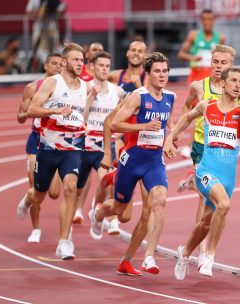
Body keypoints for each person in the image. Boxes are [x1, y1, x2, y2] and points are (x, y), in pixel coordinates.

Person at [164, 67, 240, 279]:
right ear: (223, 84)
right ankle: (209, 256)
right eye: (233, 81)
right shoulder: (208, 105)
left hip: (228, 177)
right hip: (206, 170)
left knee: (206, 221)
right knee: (224, 205)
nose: (237, 85)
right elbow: (187, 117)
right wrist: (171, 138)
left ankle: (185, 252)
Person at [90, 52, 176, 275]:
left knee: (158, 203)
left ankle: (144, 258)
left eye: (165, 71)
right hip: (132, 158)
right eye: (157, 71)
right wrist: (142, 127)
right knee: (121, 211)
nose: (162, 75)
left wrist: (170, 139)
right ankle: (99, 213)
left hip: (154, 162)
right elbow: (113, 124)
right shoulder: (137, 97)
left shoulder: (170, 97)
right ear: (148, 74)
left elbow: (168, 121)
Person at [177, 44, 240, 262]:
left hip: (225, 152)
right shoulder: (199, 86)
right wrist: (180, 132)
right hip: (202, 146)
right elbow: (186, 108)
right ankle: (202, 250)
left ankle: (193, 182)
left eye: (224, 63)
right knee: (204, 199)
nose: (219, 66)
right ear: (210, 63)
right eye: (216, 62)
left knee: (213, 204)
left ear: (231, 65)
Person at [17, 42, 88, 260]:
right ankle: (28, 200)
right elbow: (31, 110)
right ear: (65, 62)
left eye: (82, 60)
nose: (80, 63)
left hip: (72, 148)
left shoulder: (84, 86)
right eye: (76, 59)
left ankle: (64, 242)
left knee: (69, 187)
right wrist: (56, 110)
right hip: (48, 148)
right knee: (39, 194)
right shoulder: (51, 83)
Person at [75, 51, 125, 234]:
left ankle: (104, 217)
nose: (104, 69)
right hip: (84, 146)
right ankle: (78, 210)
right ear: (92, 67)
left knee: (108, 181)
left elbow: (123, 117)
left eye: (107, 66)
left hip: (105, 147)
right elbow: (80, 117)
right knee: (77, 188)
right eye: (101, 65)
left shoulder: (117, 91)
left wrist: (117, 135)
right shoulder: (85, 88)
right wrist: (90, 98)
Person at [16, 53, 63, 243]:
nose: (57, 68)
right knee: (34, 186)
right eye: (54, 64)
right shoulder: (32, 88)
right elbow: (20, 116)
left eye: (61, 64)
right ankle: (36, 229)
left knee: (53, 193)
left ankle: (28, 199)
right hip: (36, 141)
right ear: (45, 66)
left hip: (57, 141)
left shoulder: (67, 88)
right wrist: (28, 111)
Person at [177, 9, 226, 84]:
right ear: (201, 21)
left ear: (214, 21)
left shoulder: (220, 38)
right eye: (204, 20)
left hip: (213, 76)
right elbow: (180, 54)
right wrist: (193, 58)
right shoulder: (193, 35)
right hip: (197, 75)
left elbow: (225, 58)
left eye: (210, 20)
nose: (207, 22)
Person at [26, 0, 67, 73]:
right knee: (39, 52)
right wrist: (41, 10)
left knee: (55, 51)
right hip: (40, 29)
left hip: (52, 28)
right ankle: (35, 72)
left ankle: (55, 71)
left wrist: (58, 9)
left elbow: (60, 12)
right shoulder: (35, 1)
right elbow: (29, 12)